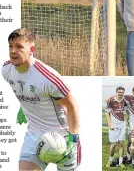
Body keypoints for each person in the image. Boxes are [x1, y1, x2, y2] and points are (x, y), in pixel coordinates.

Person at [2, 28, 81, 171]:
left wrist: (73, 139)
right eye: (10, 46)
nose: (13, 51)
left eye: (19, 46)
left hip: (62, 138)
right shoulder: (6, 70)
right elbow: (25, 86)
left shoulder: (47, 78)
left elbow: (71, 105)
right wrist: (24, 106)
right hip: (34, 135)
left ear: (31, 49)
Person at [105, 87, 127, 168]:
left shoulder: (124, 100)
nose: (121, 93)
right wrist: (110, 124)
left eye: (122, 92)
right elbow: (107, 113)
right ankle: (110, 161)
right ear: (116, 92)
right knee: (113, 145)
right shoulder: (111, 100)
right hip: (114, 125)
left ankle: (121, 162)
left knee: (121, 143)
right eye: (119, 92)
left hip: (122, 124)